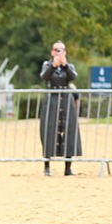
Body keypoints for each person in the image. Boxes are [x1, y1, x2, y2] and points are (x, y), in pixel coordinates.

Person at [40, 41, 82, 176]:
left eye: (62, 50)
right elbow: (44, 76)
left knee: (69, 130)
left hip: (66, 98)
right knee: (49, 130)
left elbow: (73, 77)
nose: (59, 52)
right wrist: (53, 66)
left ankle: (68, 167)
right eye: (57, 50)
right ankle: (47, 166)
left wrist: (65, 65)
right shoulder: (47, 65)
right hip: (52, 99)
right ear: (52, 52)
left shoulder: (69, 66)